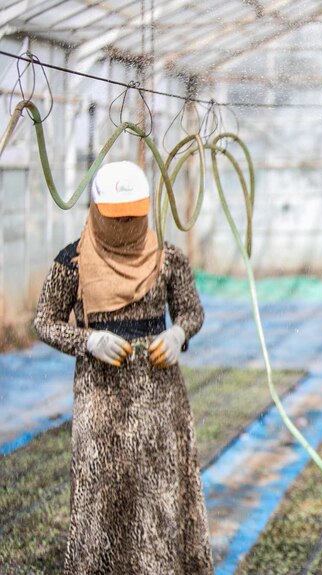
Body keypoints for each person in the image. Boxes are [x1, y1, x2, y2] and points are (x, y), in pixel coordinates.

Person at [33, 161, 213, 574]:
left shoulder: (166, 258)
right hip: (101, 400)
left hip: (158, 398)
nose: (126, 222)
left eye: (133, 213)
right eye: (117, 216)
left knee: (160, 495)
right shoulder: (73, 262)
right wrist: (88, 340)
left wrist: (177, 336)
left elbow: (191, 311)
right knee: (99, 497)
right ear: (96, 210)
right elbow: (45, 320)